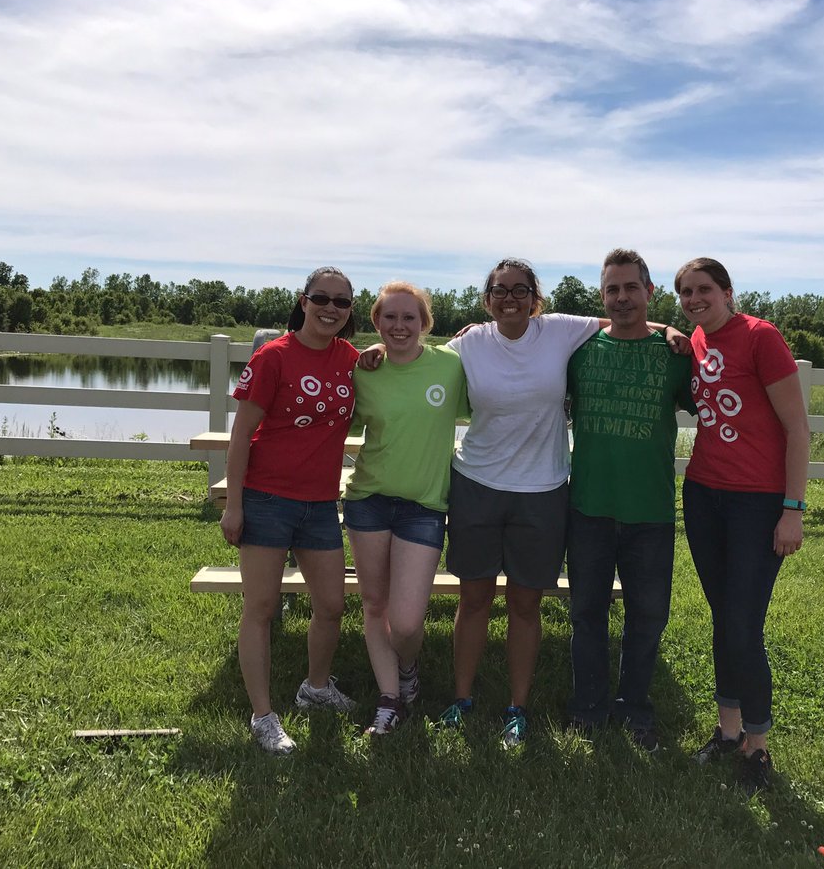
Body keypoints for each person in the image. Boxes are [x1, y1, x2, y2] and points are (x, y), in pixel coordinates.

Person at [438, 257, 686, 748]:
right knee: (474, 600)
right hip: (477, 483)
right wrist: (379, 345)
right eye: (499, 290)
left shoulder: (558, 331)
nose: (510, 298)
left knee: (526, 604)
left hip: (543, 490)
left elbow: (623, 318)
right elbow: (416, 360)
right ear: (486, 298)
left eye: (520, 289)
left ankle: (517, 707)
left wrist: (673, 327)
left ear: (536, 297)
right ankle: (462, 699)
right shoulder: (467, 344)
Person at [675, 257, 810, 793]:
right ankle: (728, 732)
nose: (693, 298)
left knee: (742, 623)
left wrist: (793, 509)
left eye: (703, 289)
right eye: (685, 292)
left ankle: (758, 746)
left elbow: (798, 431)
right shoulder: (697, 341)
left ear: (728, 291)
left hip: (757, 503)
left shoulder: (761, 337)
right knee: (722, 618)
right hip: (704, 493)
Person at [220, 266, 360, 755]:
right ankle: (263, 715)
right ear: (303, 302)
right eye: (321, 298)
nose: (331, 308)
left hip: (320, 502)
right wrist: (233, 505)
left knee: (332, 606)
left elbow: (403, 357)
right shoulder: (273, 357)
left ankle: (315, 689)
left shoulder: (354, 361)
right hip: (266, 499)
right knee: (260, 608)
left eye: (342, 302)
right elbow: (241, 438)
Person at [565, 248, 694, 754]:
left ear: (649, 292)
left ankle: (635, 707)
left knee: (648, 616)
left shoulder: (675, 357)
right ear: (603, 297)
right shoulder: (580, 352)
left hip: (651, 511)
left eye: (631, 288)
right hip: (589, 506)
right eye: (612, 290)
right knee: (586, 614)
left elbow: (715, 404)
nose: (622, 298)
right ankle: (589, 708)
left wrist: (670, 332)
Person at [343, 281, 467, 736]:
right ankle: (390, 699)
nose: (399, 326)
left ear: (425, 323)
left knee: (409, 621)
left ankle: (408, 666)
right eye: (389, 318)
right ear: (377, 322)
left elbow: (491, 402)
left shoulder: (451, 366)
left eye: (409, 318)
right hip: (367, 502)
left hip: (424, 507)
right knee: (375, 606)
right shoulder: (364, 370)